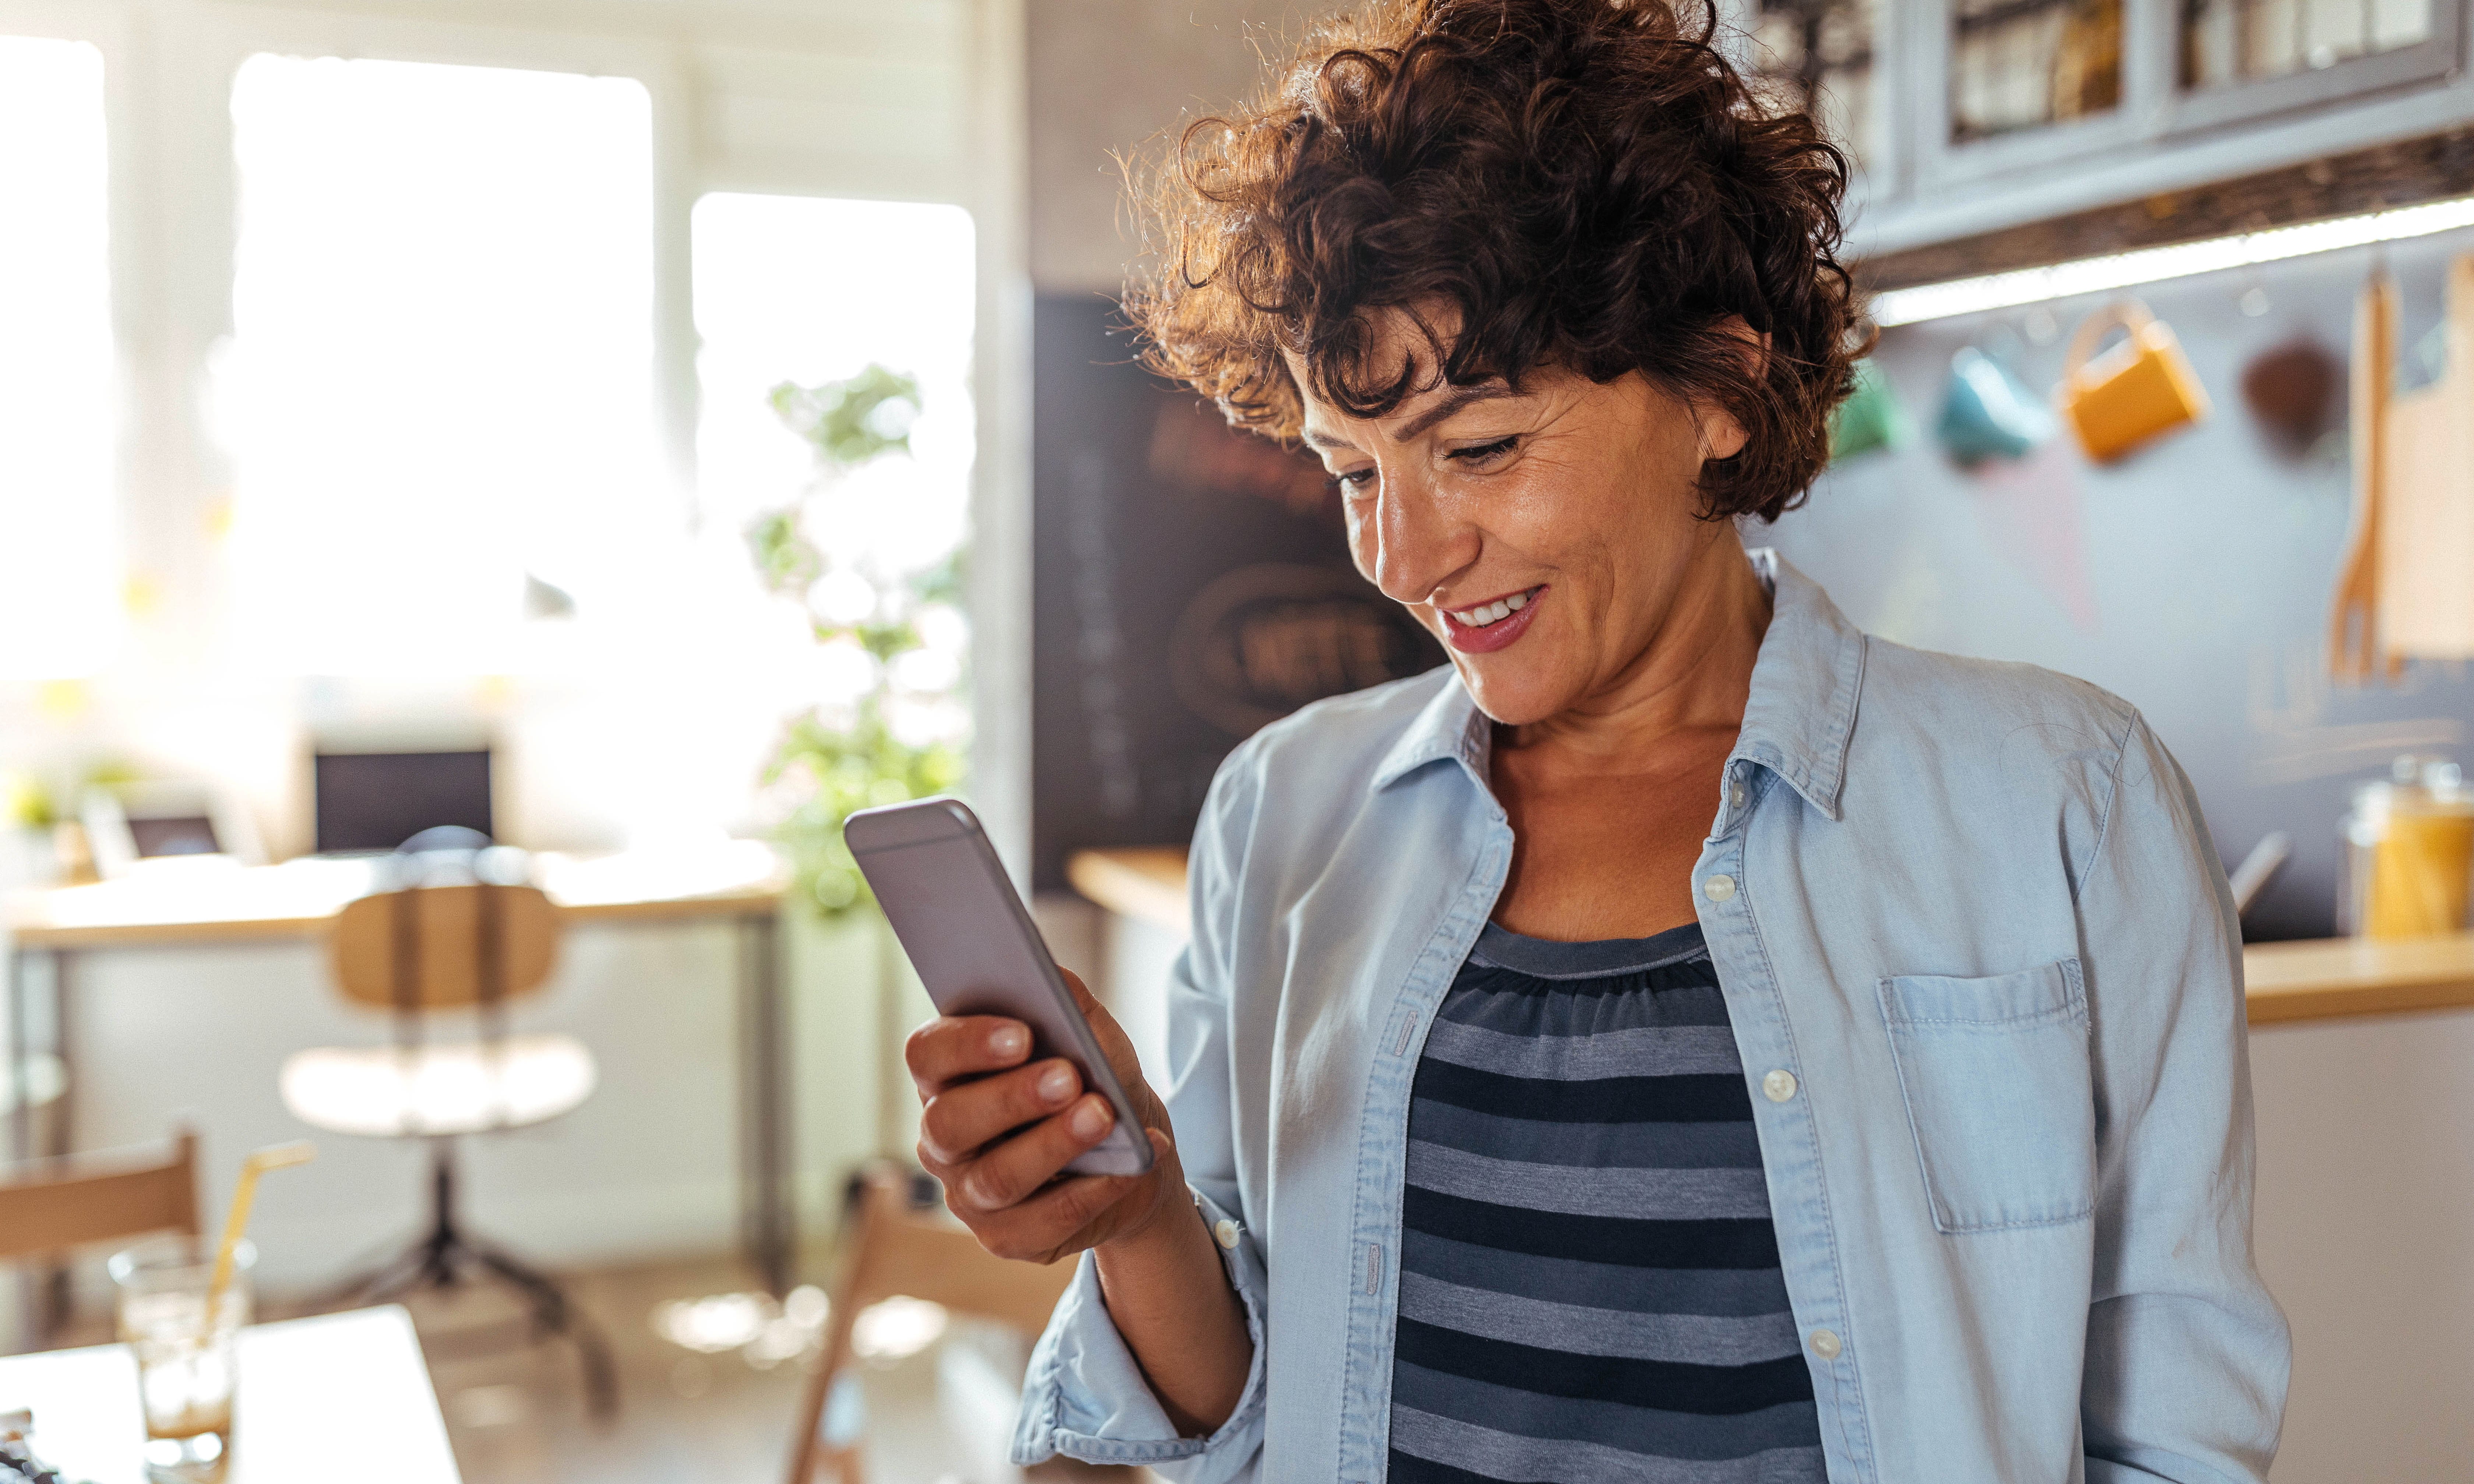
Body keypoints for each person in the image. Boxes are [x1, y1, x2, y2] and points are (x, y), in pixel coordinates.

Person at [904, 0, 2291, 1478]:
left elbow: (2175, 1430)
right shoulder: (1284, 815)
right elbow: (1242, 1418)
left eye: (1482, 448)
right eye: (1353, 471)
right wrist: (1138, 1217)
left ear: (1721, 387)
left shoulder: (2066, 803)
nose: (1404, 557)